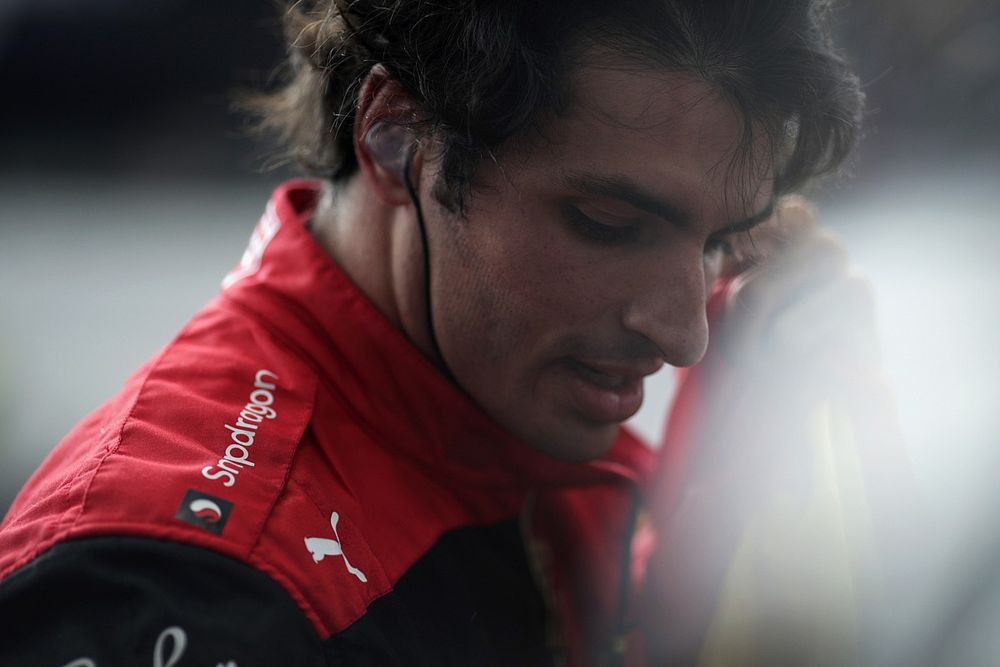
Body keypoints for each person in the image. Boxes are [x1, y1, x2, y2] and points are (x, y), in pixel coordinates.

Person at [0, 0, 866, 664]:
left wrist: (727, 485)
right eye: (607, 222)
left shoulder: (497, 401)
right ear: (395, 137)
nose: (685, 337)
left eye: (719, 242)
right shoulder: (191, 587)